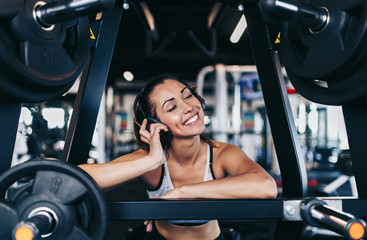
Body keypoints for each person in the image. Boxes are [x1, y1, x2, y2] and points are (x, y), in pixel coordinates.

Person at [79, 73, 277, 240]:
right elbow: (76, 182)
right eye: (172, 107)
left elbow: (266, 186)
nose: (189, 107)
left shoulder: (222, 154)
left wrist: (182, 193)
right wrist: (152, 160)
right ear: (153, 123)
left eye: (188, 96)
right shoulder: (151, 162)